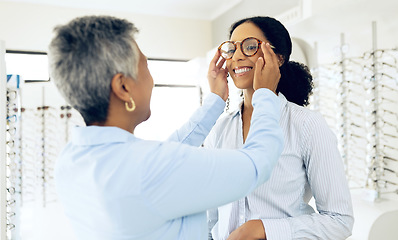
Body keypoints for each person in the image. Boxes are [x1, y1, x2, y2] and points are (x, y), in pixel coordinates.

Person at [48, 15, 284, 240]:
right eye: (145, 66)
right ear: (123, 87)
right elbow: (256, 164)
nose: (152, 80)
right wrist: (265, 94)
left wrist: (214, 101)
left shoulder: (70, 160)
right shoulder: (151, 167)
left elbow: (167, 157)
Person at [206, 16, 354, 240]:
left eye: (249, 47)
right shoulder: (220, 128)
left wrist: (262, 229)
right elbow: (211, 218)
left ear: (278, 58)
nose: (236, 56)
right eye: (231, 49)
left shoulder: (306, 125)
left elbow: (339, 221)